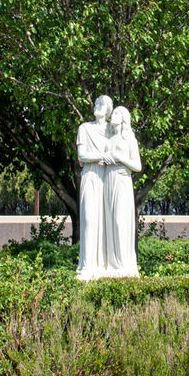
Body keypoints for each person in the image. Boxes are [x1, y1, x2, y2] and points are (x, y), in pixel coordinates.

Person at [75, 95, 114, 280]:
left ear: (108, 110)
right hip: (91, 175)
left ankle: (106, 265)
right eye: (97, 102)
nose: (98, 106)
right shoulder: (84, 128)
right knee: (90, 219)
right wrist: (100, 156)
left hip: (108, 178)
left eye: (102, 104)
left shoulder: (113, 131)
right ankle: (88, 266)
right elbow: (81, 156)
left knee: (107, 222)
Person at [102, 106, 141, 277]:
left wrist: (121, 159)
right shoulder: (108, 140)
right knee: (109, 222)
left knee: (120, 221)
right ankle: (112, 264)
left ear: (124, 118)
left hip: (122, 181)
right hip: (108, 181)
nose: (113, 115)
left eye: (117, 113)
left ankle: (124, 263)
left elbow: (138, 166)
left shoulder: (129, 140)